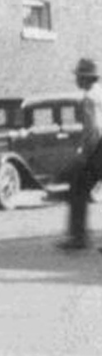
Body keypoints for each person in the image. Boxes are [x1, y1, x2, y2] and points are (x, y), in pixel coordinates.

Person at [62, 57, 102, 251]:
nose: (76, 79)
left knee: (77, 185)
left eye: (78, 76)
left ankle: (78, 238)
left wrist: (85, 155)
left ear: (86, 78)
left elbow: (93, 129)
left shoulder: (89, 98)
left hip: (99, 149)